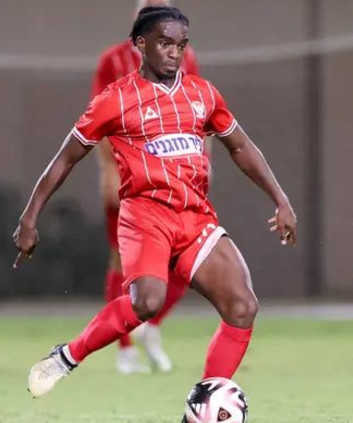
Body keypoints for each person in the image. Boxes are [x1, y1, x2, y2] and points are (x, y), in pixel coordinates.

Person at [13, 6, 297, 408]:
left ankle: (202, 408)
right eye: (164, 43)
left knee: (242, 306)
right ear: (140, 44)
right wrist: (30, 217)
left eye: (181, 45)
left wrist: (281, 199)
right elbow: (65, 158)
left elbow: (240, 147)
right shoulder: (115, 99)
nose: (174, 52)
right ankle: (66, 357)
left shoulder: (203, 94)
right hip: (145, 218)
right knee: (147, 302)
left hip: (195, 216)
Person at [93, 0, 201, 374]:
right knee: (122, 261)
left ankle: (151, 327)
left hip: (174, 178)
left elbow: (198, 112)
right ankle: (125, 349)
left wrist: (203, 165)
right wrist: (108, 169)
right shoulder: (113, 60)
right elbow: (99, 117)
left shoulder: (186, 58)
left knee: (188, 259)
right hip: (130, 176)